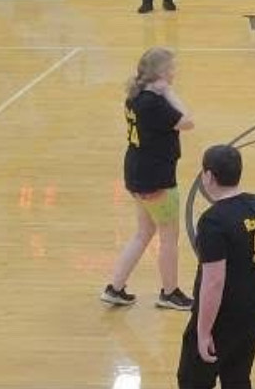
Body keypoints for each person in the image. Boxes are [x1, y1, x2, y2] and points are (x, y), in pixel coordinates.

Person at [176, 144, 255, 389]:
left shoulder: (213, 221)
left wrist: (204, 332)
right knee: (237, 379)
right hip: (254, 312)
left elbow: (214, 283)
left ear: (209, 176)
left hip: (222, 319)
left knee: (192, 381)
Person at [101, 48, 195, 311]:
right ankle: (170, 292)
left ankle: (115, 287)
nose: (174, 73)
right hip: (157, 178)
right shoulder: (154, 103)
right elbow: (188, 121)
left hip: (136, 172)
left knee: (143, 233)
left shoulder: (135, 97)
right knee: (168, 237)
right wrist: (169, 92)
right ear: (161, 73)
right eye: (171, 69)